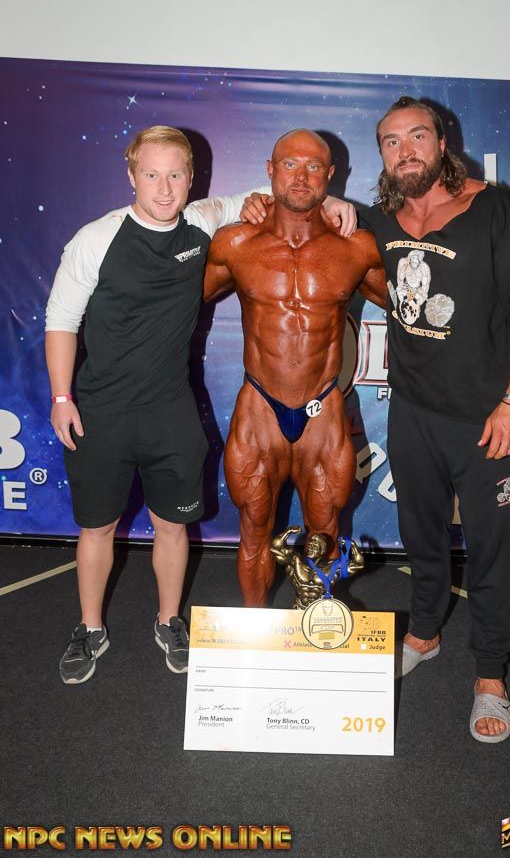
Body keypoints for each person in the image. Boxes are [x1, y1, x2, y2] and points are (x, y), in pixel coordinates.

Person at [45, 125, 355, 685]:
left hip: (171, 412)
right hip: (100, 411)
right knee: (97, 528)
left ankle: (169, 621)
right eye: (151, 174)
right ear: (132, 175)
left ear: (192, 179)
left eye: (175, 175)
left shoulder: (204, 221)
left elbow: (285, 193)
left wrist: (330, 201)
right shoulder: (95, 239)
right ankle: (89, 628)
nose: (164, 188)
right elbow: (61, 321)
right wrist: (62, 396)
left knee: (172, 528)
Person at [360, 96, 510, 742]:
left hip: (486, 418)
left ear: (442, 141)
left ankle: (490, 674)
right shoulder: (380, 218)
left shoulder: (498, 209)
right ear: (383, 154)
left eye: (417, 136)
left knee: (490, 548)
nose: (406, 150)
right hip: (411, 411)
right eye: (392, 141)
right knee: (420, 535)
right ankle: (424, 632)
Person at [203, 129, 387, 608]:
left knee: (324, 532)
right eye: (289, 164)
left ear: (331, 176)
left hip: (322, 409)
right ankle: (255, 630)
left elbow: (415, 308)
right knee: (253, 528)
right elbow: (173, 297)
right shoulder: (236, 242)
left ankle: (317, 632)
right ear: (270, 170)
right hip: (259, 407)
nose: (301, 177)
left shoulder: (356, 248)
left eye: (313, 167)